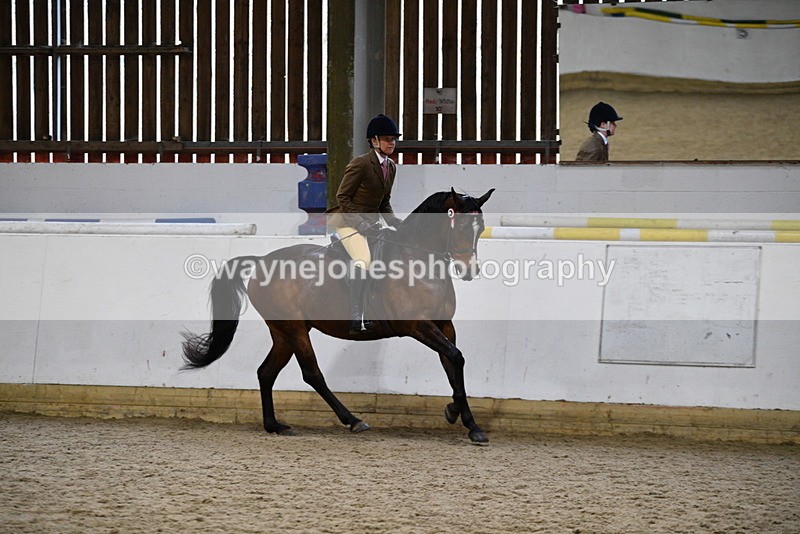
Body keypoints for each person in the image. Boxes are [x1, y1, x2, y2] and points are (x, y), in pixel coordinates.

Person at [326, 114, 403, 334]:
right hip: (348, 223)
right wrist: (360, 224)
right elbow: (343, 197)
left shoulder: (391, 167)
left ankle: (372, 310)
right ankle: (355, 316)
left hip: (371, 225)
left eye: (393, 139)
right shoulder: (360, 163)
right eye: (387, 139)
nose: (392, 143)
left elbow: (384, 202)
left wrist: (396, 222)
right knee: (363, 260)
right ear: (374, 141)